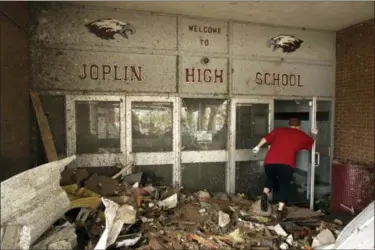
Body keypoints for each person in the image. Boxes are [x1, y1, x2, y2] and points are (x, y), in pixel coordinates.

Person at [252, 118, 318, 220]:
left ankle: (264, 194)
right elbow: (311, 143)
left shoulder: (279, 131)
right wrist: (314, 134)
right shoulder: (300, 134)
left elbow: (266, 138)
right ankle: (280, 210)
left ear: (288, 125)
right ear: (298, 126)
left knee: (271, 178)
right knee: (284, 185)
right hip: (286, 164)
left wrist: (258, 146)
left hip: (270, 162)